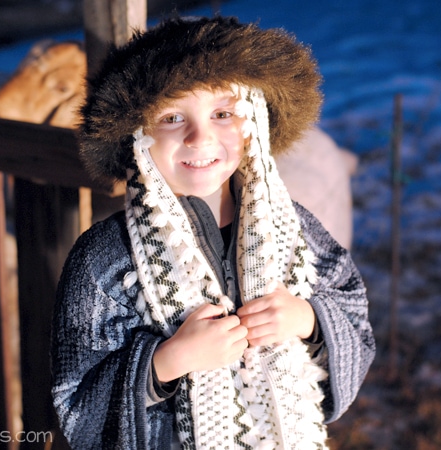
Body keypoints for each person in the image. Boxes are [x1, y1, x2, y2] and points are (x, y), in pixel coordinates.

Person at [51, 16, 375, 450]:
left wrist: (307, 318)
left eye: (223, 113)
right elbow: (76, 400)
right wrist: (165, 362)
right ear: (137, 136)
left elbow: (352, 313)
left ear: (253, 122)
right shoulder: (105, 259)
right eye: (170, 117)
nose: (200, 137)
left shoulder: (296, 229)